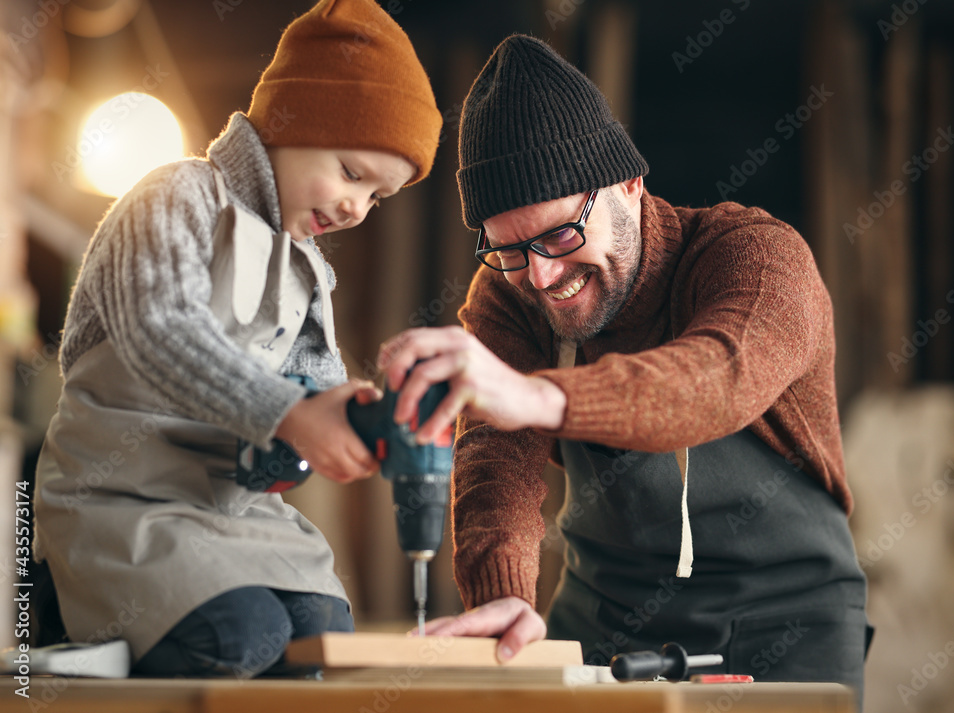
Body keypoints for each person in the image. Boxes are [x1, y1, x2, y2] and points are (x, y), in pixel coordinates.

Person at [378, 34, 871, 699]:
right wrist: (503, 597)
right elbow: (498, 461)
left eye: (560, 234)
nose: (543, 275)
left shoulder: (759, 258)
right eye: (511, 249)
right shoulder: (505, 296)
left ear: (629, 182)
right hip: (603, 622)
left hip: (787, 623)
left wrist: (537, 396)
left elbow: (715, 378)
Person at [32, 0, 441, 678]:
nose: (355, 207)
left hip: (232, 510)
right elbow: (159, 329)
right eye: (350, 171)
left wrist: (355, 419)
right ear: (293, 121)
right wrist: (286, 413)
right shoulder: (176, 195)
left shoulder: (309, 272)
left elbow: (320, 388)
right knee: (236, 638)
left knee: (321, 634)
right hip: (125, 498)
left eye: (377, 197)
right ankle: (64, 617)